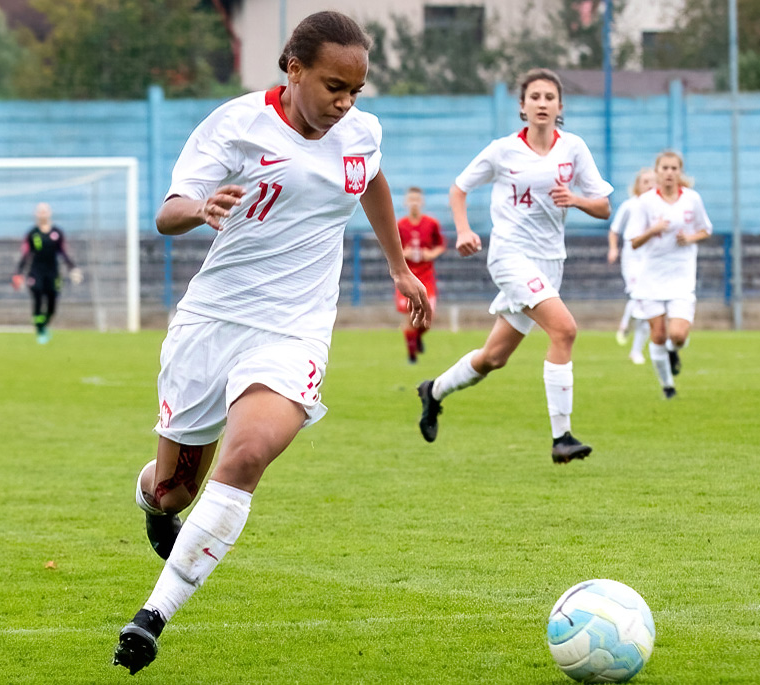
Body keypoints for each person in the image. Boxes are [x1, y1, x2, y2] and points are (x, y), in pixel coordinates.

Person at [112, 11, 431, 675]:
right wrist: (200, 208)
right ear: (294, 69)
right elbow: (168, 212)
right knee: (174, 491)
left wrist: (399, 266)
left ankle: (152, 615)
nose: (345, 103)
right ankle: (152, 506)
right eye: (333, 87)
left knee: (249, 451)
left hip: (295, 328)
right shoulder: (237, 125)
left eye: (355, 91)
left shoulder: (360, 132)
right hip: (213, 322)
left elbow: (369, 178)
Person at [416, 68, 613, 464]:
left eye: (549, 97)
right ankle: (562, 438)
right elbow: (459, 188)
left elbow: (604, 207)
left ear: (560, 106)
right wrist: (463, 230)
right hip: (509, 257)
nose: (542, 103)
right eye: (534, 97)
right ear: (522, 106)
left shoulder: (573, 148)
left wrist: (576, 200)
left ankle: (433, 391)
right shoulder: (502, 150)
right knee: (564, 330)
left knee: (494, 357)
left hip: (550, 262)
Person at [628, 150, 712, 399]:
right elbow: (634, 241)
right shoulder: (645, 202)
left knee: (677, 335)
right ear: (657, 171)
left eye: (674, 168)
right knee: (658, 334)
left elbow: (705, 229)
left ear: (680, 172)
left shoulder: (692, 199)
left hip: (682, 276)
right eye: (664, 168)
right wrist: (653, 230)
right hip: (652, 278)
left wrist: (690, 238)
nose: (669, 173)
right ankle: (668, 386)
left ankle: (673, 350)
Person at [12, 202, 82, 344]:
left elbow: (64, 253)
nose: (42, 214)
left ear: (49, 213)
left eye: (45, 211)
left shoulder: (57, 233)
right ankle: (40, 331)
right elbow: (25, 254)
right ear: (36, 214)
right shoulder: (32, 233)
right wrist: (18, 273)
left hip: (53, 272)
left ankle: (43, 325)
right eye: (40, 211)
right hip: (36, 272)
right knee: (37, 297)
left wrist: (73, 268)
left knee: (51, 305)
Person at [607, 168, 656, 364]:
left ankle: (636, 351)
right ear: (638, 185)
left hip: (651, 258)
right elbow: (614, 230)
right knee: (638, 295)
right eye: (645, 182)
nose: (650, 185)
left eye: (653, 182)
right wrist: (613, 249)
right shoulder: (630, 205)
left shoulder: (659, 206)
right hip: (632, 258)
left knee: (647, 306)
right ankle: (626, 323)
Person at [396, 186, 446, 363]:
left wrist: (431, 254)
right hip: (407, 276)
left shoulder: (431, 223)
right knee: (410, 316)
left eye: (417, 199)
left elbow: (440, 245)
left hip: (426, 277)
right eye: (411, 200)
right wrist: (404, 254)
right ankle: (412, 356)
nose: (414, 203)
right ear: (405, 202)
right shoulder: (400, 225)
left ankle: (416, 337)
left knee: (427, 319)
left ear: (422, 202)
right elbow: (392, 249)